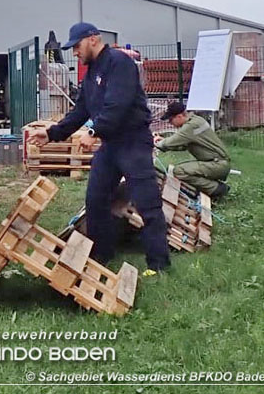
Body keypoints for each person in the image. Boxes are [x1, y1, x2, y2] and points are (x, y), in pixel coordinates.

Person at [28, 22, 170, 277]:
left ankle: (158, 265)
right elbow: (81, 110)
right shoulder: (91, 72)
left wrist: (94, 132)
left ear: (93, 39)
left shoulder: (118, 63)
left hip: (133, 142)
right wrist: (51, 133)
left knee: (146, 203)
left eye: (77, 46)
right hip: (110, 145)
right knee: (95, 200)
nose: (74, 53)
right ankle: (102, 255)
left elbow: (119, 104)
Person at [155, 101, 231, 200]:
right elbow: (181, 145)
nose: (171, 123)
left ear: (179, 116)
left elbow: (171, 142)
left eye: (170, 120)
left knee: (179, 171)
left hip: (217, 164)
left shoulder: (190, 127)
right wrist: (163, 142)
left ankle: (216, 189)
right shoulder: (196, 120)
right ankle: (212, 188)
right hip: (219, 163)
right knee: (183, 169)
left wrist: (155, 143)